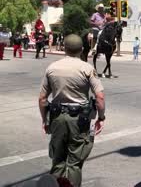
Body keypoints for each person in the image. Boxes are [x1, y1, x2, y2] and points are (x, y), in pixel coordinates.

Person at [38, 34, 106, 187]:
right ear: (82, 50)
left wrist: (45, 120)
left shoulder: (52, 68)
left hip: (57, 118)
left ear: (64, 48)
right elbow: (100, 97)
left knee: (58, 160)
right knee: (74, 163)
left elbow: (42, 99)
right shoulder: (87, 68)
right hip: (79, 121)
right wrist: (101, 118)